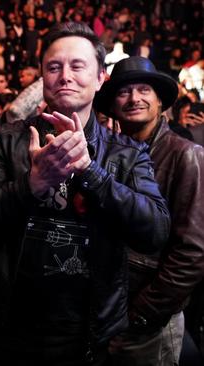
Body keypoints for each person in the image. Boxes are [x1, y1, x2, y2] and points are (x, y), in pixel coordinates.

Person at [0, 22, 170, 365]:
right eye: (54, 67)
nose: (65, 76)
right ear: (43, 76)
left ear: (101, 77)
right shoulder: (8, 138)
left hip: (87, 334)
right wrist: (32, 185)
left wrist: (92, 172)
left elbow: (155, 231)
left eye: (77, 66)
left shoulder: (127, 153)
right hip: (6, 329)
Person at [94, 56, 204, 366]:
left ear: (159, 102)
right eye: (124, 92)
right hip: (105, 314)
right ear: (113, 103)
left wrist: (140, 315)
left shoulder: (187, 156)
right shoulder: (106, 153)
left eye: (144, 90)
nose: (134, 99)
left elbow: (192, 253)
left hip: (146, 321)